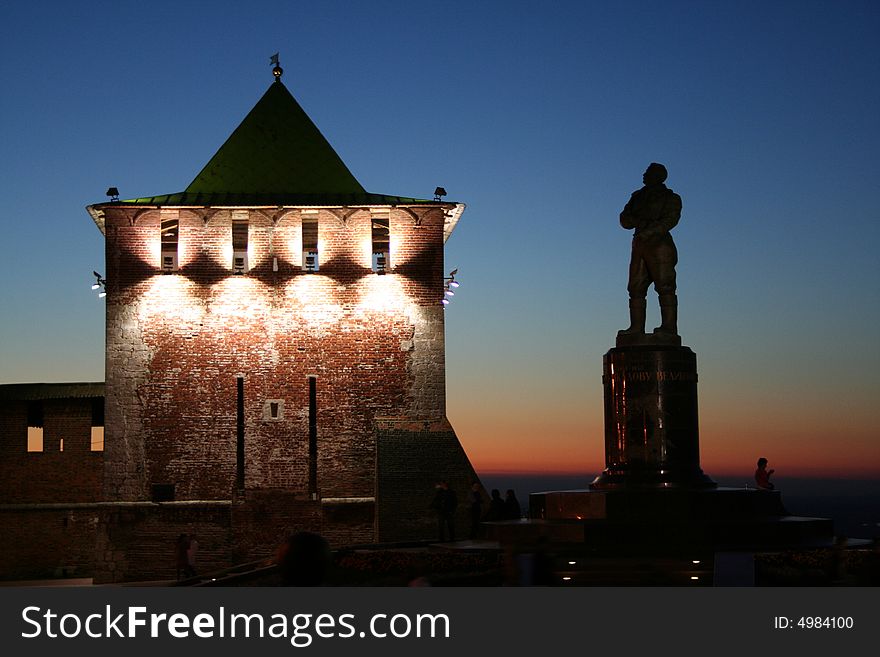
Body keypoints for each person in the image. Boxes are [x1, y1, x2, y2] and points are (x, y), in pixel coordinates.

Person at [618, 163, 682, 336]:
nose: (644, 175)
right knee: (635, 287)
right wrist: (639, 223)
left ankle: (669, 328)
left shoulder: (671, 197)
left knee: (665, 285)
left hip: (659, 244)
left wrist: (650, 230)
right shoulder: (637, 196)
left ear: (659, 176)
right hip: (639, 243)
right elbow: (624, 219)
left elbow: (671, 219)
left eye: (648, 172)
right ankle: (636, 328)